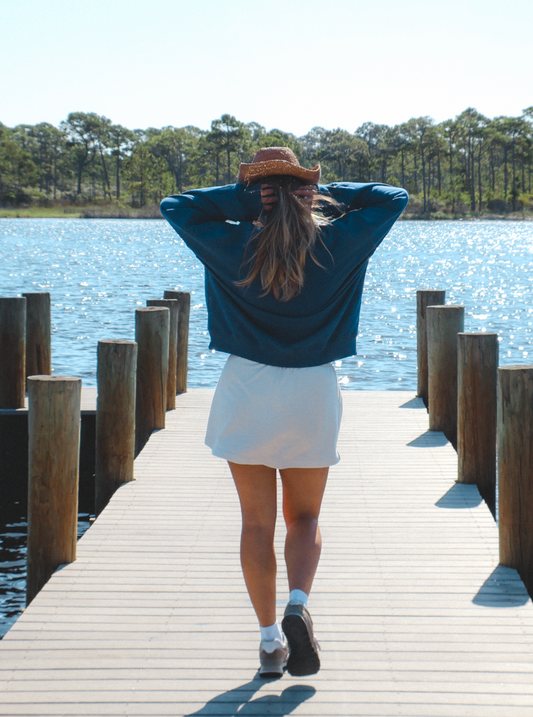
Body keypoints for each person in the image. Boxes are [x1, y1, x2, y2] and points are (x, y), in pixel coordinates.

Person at [160, 147, 408, 678]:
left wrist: (245, 200)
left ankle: (271, 642)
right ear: (303, 191)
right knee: (306, 517)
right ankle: (297, 602)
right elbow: (393, 197)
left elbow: (175, 205)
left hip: (246, 386)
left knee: (256, 522)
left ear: (258, 192)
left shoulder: (231, 243)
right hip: (312, 392)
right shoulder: (338, 243)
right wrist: (321, 194)